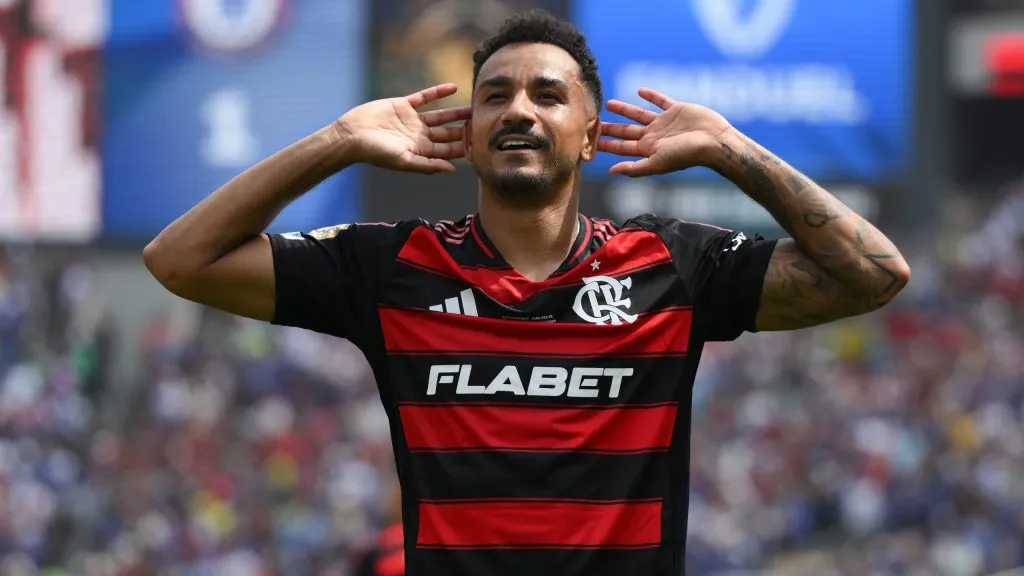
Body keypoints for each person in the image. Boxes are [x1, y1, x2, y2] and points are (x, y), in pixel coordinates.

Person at [142, 9, 910, 576]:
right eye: (496, 95)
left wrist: (734, 151)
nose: (518, 110)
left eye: (547, 95)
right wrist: (337, 143)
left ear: (588, 131)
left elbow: (875, 274)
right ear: (470, 132)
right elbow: (180, 259)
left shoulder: (674, 265)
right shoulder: (389, 266)